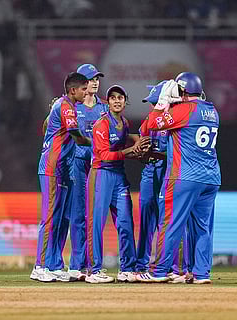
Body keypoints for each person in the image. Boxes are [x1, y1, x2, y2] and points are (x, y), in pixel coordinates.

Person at [138, 72, 220, 284]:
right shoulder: (212, 111)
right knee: (203, 228)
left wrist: (164, 101)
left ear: (182, 91)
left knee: (171, 223)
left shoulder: (184, 109)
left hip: (185, 176)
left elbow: (154, 123)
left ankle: (159, 271)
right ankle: (201, 274)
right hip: (210, 177)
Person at [85, 85, 150, 284]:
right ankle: (94, 270)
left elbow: (122, 150)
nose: (117, 101)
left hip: (119, 176)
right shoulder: (101, 125)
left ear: (125, 101)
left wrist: (138, 152)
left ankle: (127, 269)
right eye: (112, 98)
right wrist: (131, 150)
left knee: (125, 222)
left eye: (120, 97)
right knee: (96, 223)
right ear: (108, 102)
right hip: (101, 175)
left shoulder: (125, 122)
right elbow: (104, 156)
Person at [30, 72, 90, 283]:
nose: (86, 92)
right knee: (49, 219)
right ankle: (39, 266)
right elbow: (76, 136)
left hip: (62, 169)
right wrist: (98, 143)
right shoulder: (65, 107)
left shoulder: (68, 107)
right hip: (51, 168)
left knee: (59, 218)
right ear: (73, 90)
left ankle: (54, 265)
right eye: (83, 88)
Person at [137, 81, 190, 283]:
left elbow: (176, 153)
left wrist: (156, 154)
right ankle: (141, 265)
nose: (152, 106)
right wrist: (140, 152)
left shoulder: (176, 120)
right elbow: (141, 141)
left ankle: (173, 268)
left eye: (155, 102)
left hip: (169, 173)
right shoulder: (150, 120)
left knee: (168, 221)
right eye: (151, 103)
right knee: (146, 221)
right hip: (150, 173)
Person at [67, 64, 108, 281]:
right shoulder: (72, 106)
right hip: (77, 163)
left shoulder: (104, 108)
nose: (95, 82)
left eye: (97, 79)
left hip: (97, 164)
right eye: (90, 79)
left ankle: (93, 266)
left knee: (93, 215)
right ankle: (76, 266)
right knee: (78, 215)